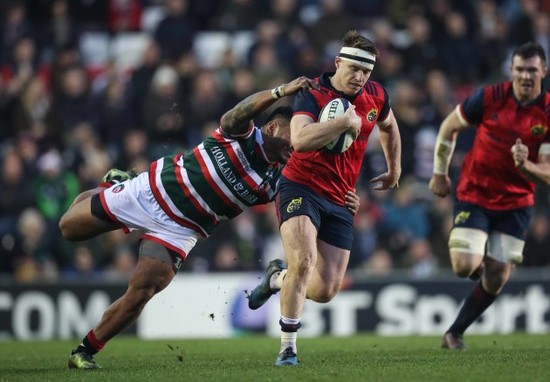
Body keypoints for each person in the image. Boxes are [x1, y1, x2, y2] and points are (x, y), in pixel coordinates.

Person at [59, 76, 362, 369]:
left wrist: (344, 200)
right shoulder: (241, 133)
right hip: (151, 192)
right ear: (271, 126)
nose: (295, 146)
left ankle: (85, 351)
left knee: (142, 292)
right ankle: (111, 187)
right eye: (291, 136)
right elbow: (236, 113)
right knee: (68, 228)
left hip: (181, 230)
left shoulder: (283, 179)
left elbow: (312, 201)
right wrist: (279, 91)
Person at [247, 30, 401, 366]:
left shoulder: (377, 95)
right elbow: (300, 140)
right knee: (303, 262)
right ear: (338, 62)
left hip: (341, 199)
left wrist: (394, 169)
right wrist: (344, 123)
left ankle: (276, 278)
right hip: (300, 186)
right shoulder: (313, 93)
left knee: (326, 289)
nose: (360, 77)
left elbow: (389, 127)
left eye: (366, 72)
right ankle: (288, 347)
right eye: (354, 69)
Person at [429, 42, 550, 349]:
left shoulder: (548, 113)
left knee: (497, 277)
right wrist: (440, 172)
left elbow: (548, 173)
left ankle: (454, 332)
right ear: (511, 70)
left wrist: (526, 165)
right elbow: (448, 127)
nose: (525, 75)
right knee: (463, 266)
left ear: (543, 72)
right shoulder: (490, 97)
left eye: (532, 70)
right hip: (476, 193)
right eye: (520, 69)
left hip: (516, 204)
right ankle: (480, 259)